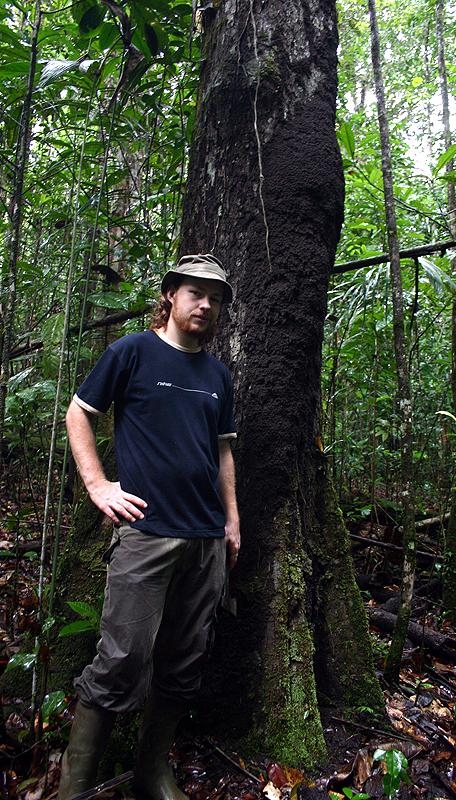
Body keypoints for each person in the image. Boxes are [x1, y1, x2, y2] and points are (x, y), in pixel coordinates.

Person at [58, 254, 240, 800]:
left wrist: (232, 520)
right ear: (172, 296)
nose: (204, 304)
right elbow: (78, 411)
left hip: (206, 539)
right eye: (194, 293)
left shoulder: (217, 375)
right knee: (122, 658)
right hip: (146, 532)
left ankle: (152, 770)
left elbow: (223, 451)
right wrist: (97, 486)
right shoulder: (132, 352)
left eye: (215, 298)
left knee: (184, 660)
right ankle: (76, 784)